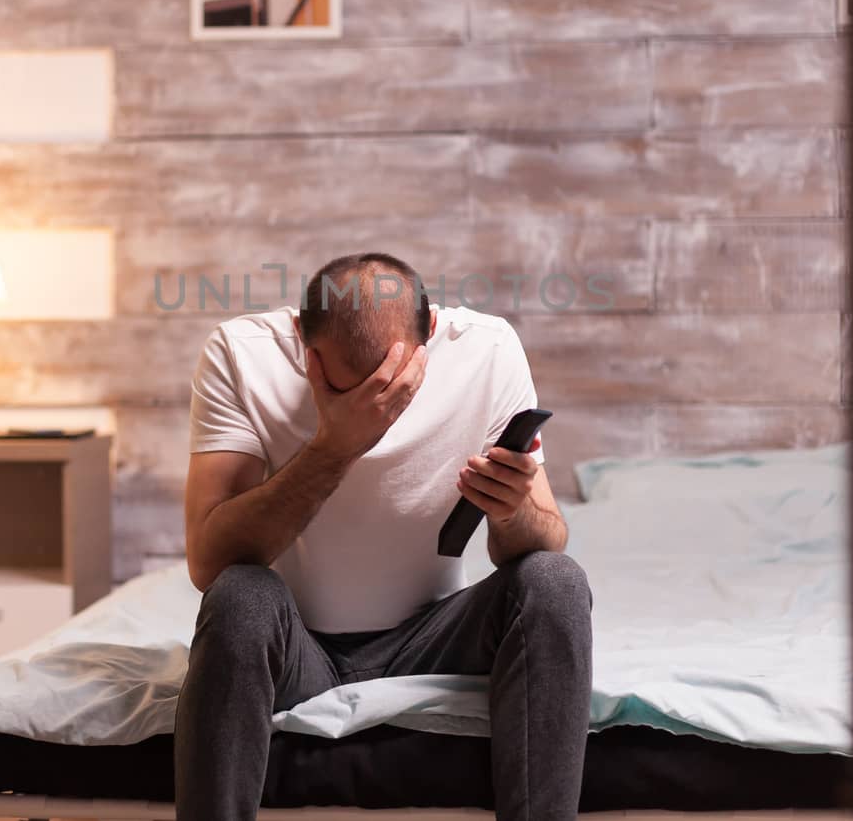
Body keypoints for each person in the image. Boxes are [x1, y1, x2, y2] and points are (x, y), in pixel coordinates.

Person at [176, 252, 593, 821]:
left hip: (435, 636)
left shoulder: (487, 350)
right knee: (239, 596)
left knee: (556, 580)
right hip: (300, 644)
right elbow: (208, 562)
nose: (379, 403)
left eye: (397, 387)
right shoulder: (241, 353)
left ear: (434, 335)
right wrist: (335, 445)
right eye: (350, 389)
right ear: (301, 339)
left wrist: (512, 508)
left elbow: (541, 541)